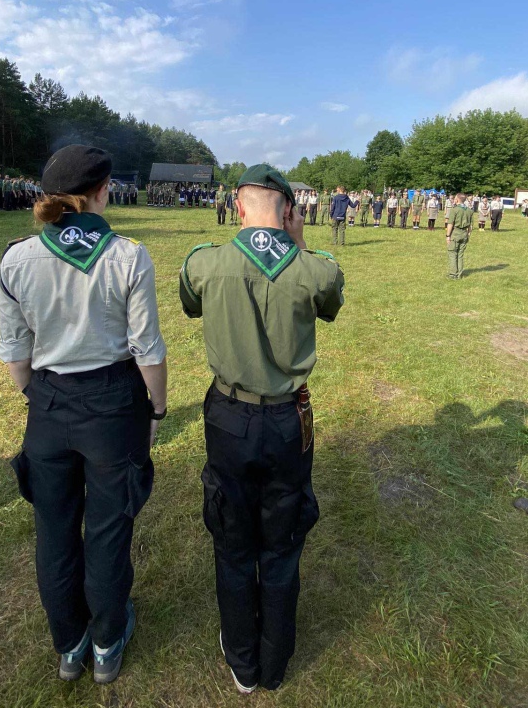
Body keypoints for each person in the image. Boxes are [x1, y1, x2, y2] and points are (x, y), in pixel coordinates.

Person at [0, 144, 168, 685]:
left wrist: (39, 398)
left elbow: (15, 353)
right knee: (109, 530)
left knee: (53, 529)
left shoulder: (16, 258)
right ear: (101, 191)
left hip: (48, 403)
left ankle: (70, 644)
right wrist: (156, 409)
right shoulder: (127, 255)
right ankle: (106, 641)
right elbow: (149, 351)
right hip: (113, 404)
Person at [179, 163, 344, 693]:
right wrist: (300, 243)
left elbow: (189, 300)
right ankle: (272, 664)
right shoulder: (314, 269)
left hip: (228, 416)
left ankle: (244, 664)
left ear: (239, 205)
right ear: (290, 212)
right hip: (287, 418)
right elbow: (330, 301)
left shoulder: (207, 263)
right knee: (281, 541)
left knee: (232, 542)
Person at [446, 191, 473, 280]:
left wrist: (448, 236)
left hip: (456, 233)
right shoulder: (469, 210)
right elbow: (470, 225)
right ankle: (459, 274)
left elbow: (450, 224)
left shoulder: (455, 210)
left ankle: (453, 274)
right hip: (464, 233)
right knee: (460, 254)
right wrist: (468, 234)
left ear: (457, 199)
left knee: (453, 253)